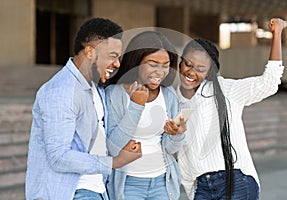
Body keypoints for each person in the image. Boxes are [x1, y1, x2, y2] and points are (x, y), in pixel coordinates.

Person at [25, 18, 142, 200]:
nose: (118, 63)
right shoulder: (62, 91)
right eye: (112, 56)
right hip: (71, 192)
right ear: (90, 52)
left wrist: (136, 106)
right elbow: (58, 156)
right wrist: (114, 162)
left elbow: (108, 144)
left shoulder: (96, 90)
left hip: (97, 189)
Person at [176, 18, 286, 200]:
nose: (191, 72)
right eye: (188, 64)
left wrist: (278, 34)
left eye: (201, 69)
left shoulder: (225, 89)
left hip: (236, 182)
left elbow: (269, 83)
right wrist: (192, 189)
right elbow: (184, 150)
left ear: (210, 71)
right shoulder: (175, 100)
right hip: (202, 188)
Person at [105, 30, 187, 200]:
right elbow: (112, 147)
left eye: (165, 65)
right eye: (153, 64)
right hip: (128, 185)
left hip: (162, 183)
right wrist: (136, 106)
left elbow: (169, 148)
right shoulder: (115, 94)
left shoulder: (168, 95)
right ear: (136, 62)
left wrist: (177, 135)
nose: (160, 71)